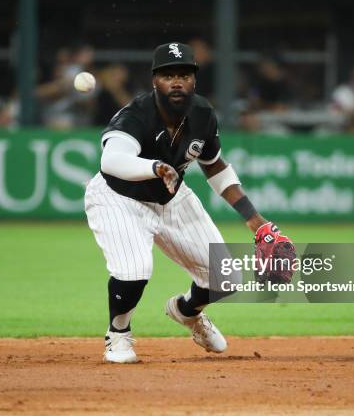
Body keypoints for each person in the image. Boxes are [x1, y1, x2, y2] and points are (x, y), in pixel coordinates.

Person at [84, 42, 294, 363]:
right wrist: (153, 167)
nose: (177, 82)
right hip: (119, 198)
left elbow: (216, 168)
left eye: (184, 74)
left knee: (226, 277)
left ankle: (186, 311)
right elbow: (112, 160)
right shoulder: (136, 115)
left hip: (171, 199)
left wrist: (256, 221)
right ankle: (119, 335)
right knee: (135, 269)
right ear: (155, 80)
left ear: (195, 79)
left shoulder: (203, 114)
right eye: (168, 75)